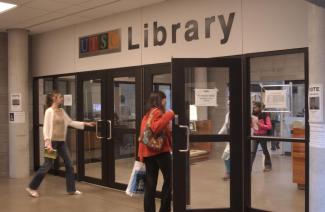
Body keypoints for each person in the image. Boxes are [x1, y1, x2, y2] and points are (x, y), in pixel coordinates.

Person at [26, 90, 95, 198]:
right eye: (60, 97)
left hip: (61, 143)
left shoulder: (62, 111)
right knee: (47, 166)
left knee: (69, 165)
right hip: (52, 143)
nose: (62, 98)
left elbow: (70, 122)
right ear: (54, 98)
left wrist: (85, 123)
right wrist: (47, 143)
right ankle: (32, 187)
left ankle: (71, 189)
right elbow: (46, 128)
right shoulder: (49, 111)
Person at [138, 91, 175, 212]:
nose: (166, 101)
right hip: (160, 153)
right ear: (161, 100)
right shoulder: (158, 112)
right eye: (165, 99)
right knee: (169, 180)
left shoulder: (147, 114)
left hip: (148, 154)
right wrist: (170, 114)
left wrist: (141, 156)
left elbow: (142, 136)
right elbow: (156, 128)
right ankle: (164, 209)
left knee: (150, 185)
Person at [251, 101, 273, 172]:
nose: (254, 108)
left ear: (260, 107)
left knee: (264, 150)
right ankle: (249, 167)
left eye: (255, 107)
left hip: (263, 135)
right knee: (252, 151)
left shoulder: (265, 115)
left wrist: (260, 125)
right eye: (253, 107)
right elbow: (252, 125)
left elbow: (269, 127)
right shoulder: (252, 115)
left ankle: (268, 165)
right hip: (255, 135)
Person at [218, 112, 230, 180]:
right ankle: (228, 172)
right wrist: (219, 133)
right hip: (230, 138)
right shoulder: (228, 114)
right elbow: (225, 125)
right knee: (225, 155)